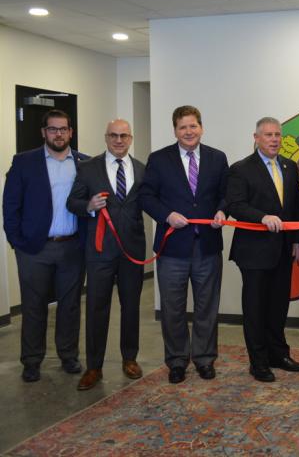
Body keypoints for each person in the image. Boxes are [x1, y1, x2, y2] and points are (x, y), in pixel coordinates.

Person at [139, 105, 228, 384]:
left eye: (193, 126)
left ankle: (204, 359)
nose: (188, 132)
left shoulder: (217, 158)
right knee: (173, 308)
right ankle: (177, 361)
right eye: (182, 127)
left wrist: (222, 211)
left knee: (207, 307)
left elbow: (227, 195)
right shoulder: (158, 159)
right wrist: (166, 215)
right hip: (172, 248)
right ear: (175, 130)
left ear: (201, 127)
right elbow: (146, 196)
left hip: (207, 247)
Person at [2, 109, 88, 382]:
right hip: (34, 249)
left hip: (72, 247)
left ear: (71, 132)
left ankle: (68, 355)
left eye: (63, 129)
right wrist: (18, 242)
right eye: (53, 129)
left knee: (70, 305)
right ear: (44, 132)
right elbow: (10, 206)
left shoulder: (85, 163)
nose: (59, 134)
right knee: (33, 305)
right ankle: (31, 360)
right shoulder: (24, 162)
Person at [66, 119, 146, 390]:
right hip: (99, 251)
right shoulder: (88, 168)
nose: (119, 140)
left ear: (131, 138)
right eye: (113, 135)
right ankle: (94, 367)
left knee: (131, 306)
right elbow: (72, 202)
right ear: (106, 137)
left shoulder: (141, 169)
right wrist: (88, 205)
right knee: (97, 308)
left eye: (124, 135)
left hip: (132, 252)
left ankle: (130, 359)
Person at [225, 117, 299, 383]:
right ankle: (258, 362)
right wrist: (262, 217)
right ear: (256, 138)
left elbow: (294, 208)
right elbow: (235, 205)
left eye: (277, 135)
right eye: (268, 135)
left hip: (283, 249)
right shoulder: (241, 169)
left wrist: (296, 240)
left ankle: (278, 355)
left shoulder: (290, 167)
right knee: (256, 308)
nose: (274, 139)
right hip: (253, 251)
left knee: (278, 306)